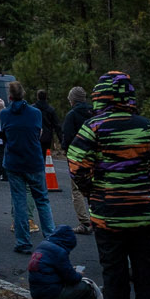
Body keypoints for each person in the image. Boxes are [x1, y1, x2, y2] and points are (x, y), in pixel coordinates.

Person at [67, 71, 150, 299]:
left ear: (100, 96)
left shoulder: (93, 128)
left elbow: (76, 167)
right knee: (149, 282)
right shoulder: (147, 127)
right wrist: (147, 188)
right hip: (142, 214)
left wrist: (96, 194)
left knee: (114, 283)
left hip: (108, 217)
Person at [0, 79, 55, 251]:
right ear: (23, 94)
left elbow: (5, 135)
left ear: (9, 97)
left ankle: (23, 242)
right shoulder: (35, 113)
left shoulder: (5, 114)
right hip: (34, 160)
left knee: (19, 202)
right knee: (42, 200)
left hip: (14, 162)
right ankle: (51, 238)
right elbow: (38, 133)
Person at [27, 224, 99, 299]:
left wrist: (70, 269)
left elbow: (52, 269)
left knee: (73, 291)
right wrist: (79, 275)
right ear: (67, 242)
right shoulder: (59, 252)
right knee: (86, 288)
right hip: (49, 293)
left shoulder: (43, 245)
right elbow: (72, 278)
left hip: (36, 291)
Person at [59, 86, 95, 234]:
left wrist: (67, 152)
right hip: (96, 157)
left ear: (72, 100)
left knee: (77, 190)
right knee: (96, 188)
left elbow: (67, 138)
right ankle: (97, 219)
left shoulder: (72, 115)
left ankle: (85, 222)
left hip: (78, 158)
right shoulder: (95, 113)